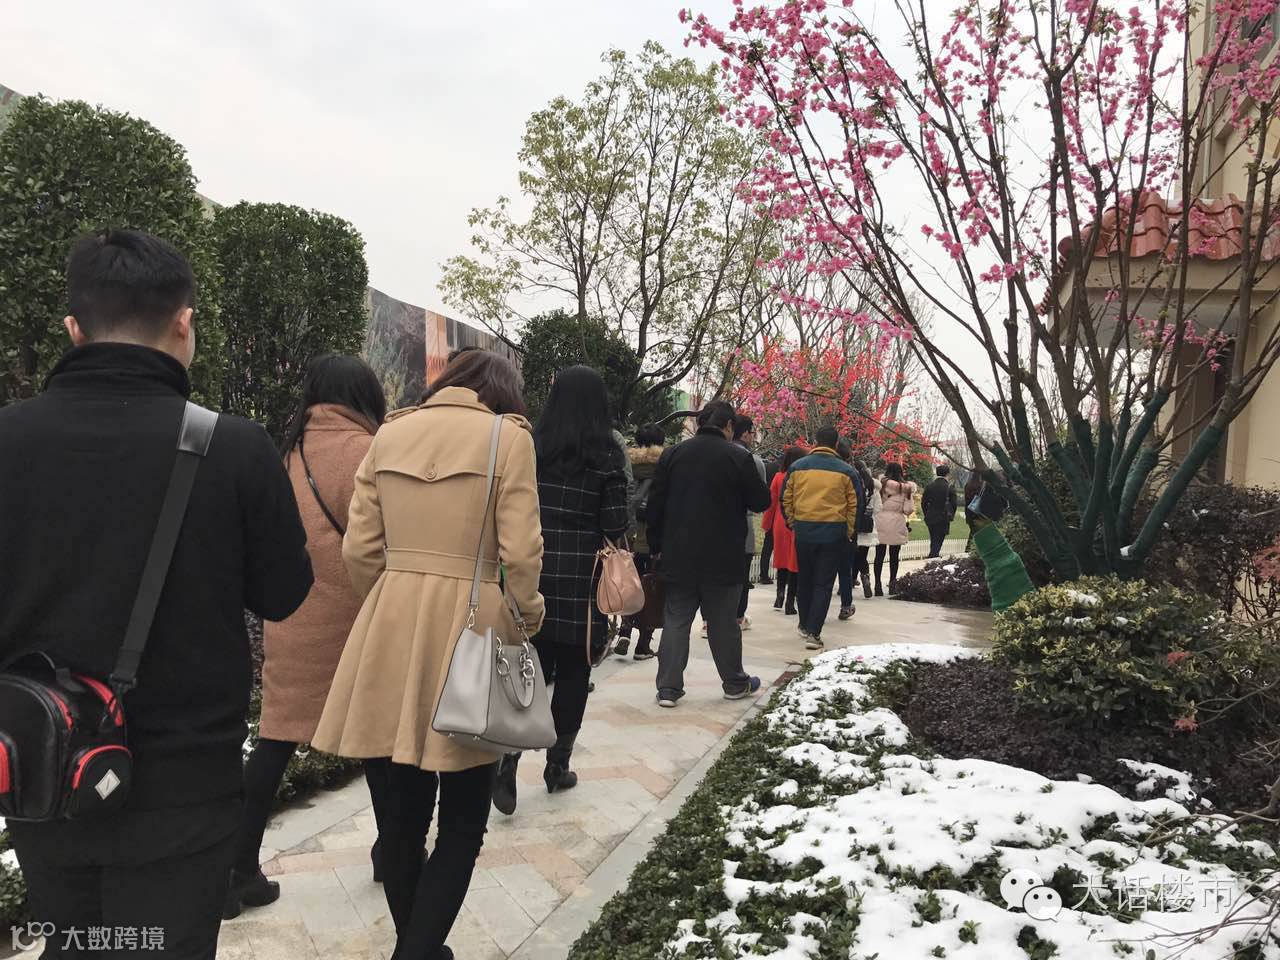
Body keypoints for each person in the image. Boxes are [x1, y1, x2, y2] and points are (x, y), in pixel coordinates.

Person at [0, 229, 314, 958]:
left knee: (75, 943)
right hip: (184, 785)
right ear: (184, 322)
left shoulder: (7, 440)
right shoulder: (235, 448)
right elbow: (284, 593)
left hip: (42, 765)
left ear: (74, 329)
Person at [311, 350, 544, 960]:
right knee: (464, 816)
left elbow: (360, 550)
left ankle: (414, 946)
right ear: (501, 393)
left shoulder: (389, 434)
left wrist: (395, 601)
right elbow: (521, 556)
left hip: (391, 626)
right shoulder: (508, 439)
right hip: (473, 627)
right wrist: (526, 617)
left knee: (402, 813)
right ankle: (418, 950)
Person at [228, 354, 386, 916]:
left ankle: (238, 869)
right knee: (380, 740)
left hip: (292, 617)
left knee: (275, 739)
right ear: (364, 394)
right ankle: (391, 852)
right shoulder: (371, 451)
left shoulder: (288, 453)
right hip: (359, 619)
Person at [493, 365, 629, 815]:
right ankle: (558, 765)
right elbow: (615, 524)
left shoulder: (531, 445)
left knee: (527, 664)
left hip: (530, 568)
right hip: (580, 581)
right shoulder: (607, 455)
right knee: (573, 671)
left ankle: (508, 761)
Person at [646, 400, 770, 707]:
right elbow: (761, 501)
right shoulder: (738, 457)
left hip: (678, 552)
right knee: (723, 622)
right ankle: (734, 683)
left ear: (700, 423)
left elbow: (656, 505)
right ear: (728, 426)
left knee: (676, 619)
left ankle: (668, 689)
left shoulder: (673, 454)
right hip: (724, 555)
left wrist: (656, 545)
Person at [782, 426, 864, 650]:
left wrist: (793, 523)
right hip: (833, 533)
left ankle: (804, 624)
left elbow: (786, 498)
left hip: (804, 531)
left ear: (815, 441)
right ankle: (814, 632)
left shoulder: (798, 467)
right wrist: (848, 532)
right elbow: (855, 506)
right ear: (836, 444)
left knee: (805, 580)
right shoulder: (847, 471)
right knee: (823, 584)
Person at [616, 423, 666, 661]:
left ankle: (624, 630)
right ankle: (643, 645)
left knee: (629, 586)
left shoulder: (626, 462)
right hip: (652, 539)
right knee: (651, 588)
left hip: (627, 537)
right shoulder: (664, 466)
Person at [733, 415, 767, 631]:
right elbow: (760, 500)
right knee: (741, 575)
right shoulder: (753, 461)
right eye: (752, 433)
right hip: (742, 524)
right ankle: (738, 618)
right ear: (745, 433)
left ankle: (708, 621)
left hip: (710, 526)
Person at [763, 446, 805, 615]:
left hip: (780, 522)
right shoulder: (802, 477)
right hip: (796, 521)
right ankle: (790, 601)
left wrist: (767, 524)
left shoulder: (778, 476)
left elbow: (771, 502)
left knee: (781, 560)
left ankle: (779, 594)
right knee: (794, 563)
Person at [874, 462, 917, 595]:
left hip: (881, 520)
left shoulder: (880, 485)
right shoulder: (906, 489)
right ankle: (892, 584)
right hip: (897, 522)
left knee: (879, 555)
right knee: (894, 556)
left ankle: (877, 585)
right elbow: (908, 509)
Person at [834, 440, 859, 621]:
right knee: (845, 570)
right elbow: (857, 503)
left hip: (819, 525)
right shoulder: (851, 472)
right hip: (843, 528)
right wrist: (851, 530)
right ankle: (846, 605)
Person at [853, 460, 881, 598]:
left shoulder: (853, 484)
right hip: (867, 525)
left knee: (853, 556)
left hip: (853, 524)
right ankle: (865, 577)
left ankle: (852, 580)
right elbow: (878, 508)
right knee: (862, 556)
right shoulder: (873, 488)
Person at [922, 464, 959, 559]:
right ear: (947, 474)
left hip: (931, 517)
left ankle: (933, 557)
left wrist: (926, 514)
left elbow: (924, 503)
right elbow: (954, 504)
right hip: (944, 517)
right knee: (938, 541)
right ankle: (932, 559)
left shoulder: (929, 486)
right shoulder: (949, 487)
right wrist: (951, 515)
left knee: (934, 540)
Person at [758, 454, 781, 585]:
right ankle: (783, 574)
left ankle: (763, 574)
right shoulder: (786, 474)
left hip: (769, 509)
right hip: (782, 513)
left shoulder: (768, 467)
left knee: (767, 546)